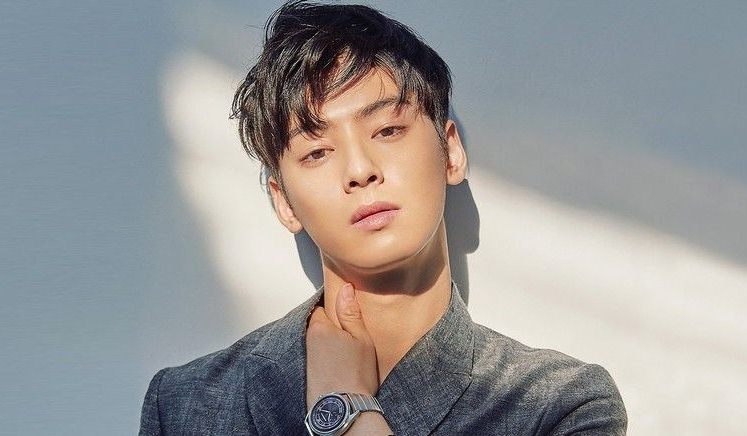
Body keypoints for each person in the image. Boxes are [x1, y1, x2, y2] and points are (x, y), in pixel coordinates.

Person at [139, 1, 627, 434]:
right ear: (283, 201)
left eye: (388, 130)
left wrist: (346, 408)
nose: (360, 170)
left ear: (451, 151)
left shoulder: (557, 406)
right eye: (316, 152)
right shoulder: (187, 405)